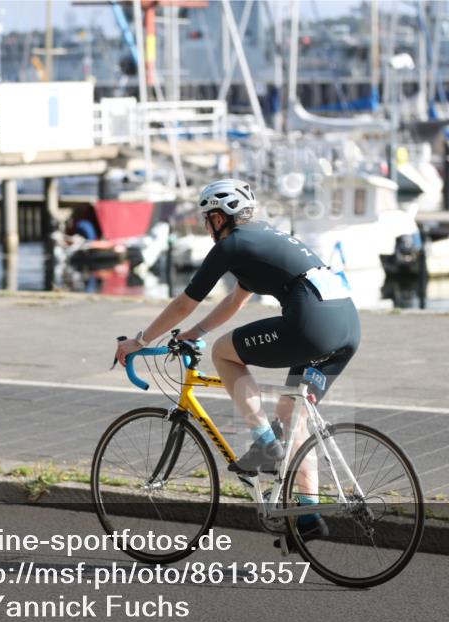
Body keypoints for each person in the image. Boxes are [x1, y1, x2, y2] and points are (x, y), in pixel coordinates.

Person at [114, 178, 361, 539]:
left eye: (206, 219)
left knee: (223, 353)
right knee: (293, 416)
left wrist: (140, 341)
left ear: (218, 218)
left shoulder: (231, 245)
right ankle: (308, 514)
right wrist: (194, 332)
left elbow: (185, 303)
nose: (206, 227)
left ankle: (264, 444)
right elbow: (236, 300)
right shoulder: (262, 236)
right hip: (347, 328)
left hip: (312, 326)